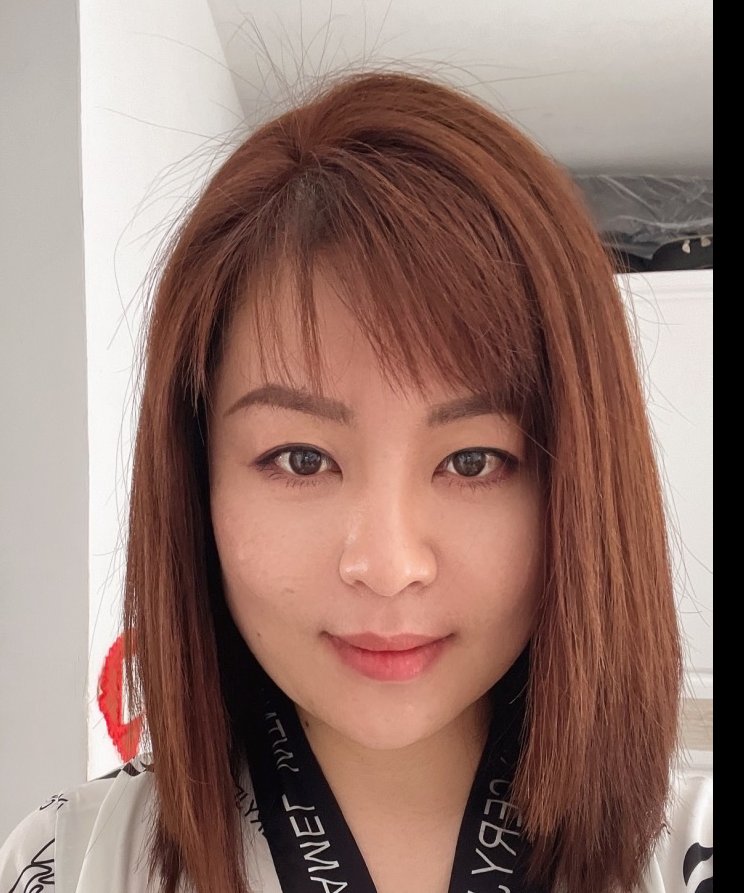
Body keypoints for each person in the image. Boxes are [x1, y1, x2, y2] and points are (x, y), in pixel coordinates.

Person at [0, 70, 712, 893]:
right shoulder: (68, 859)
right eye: (301, 459)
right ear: (198, 485)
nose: (387, 564)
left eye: (473, 460)